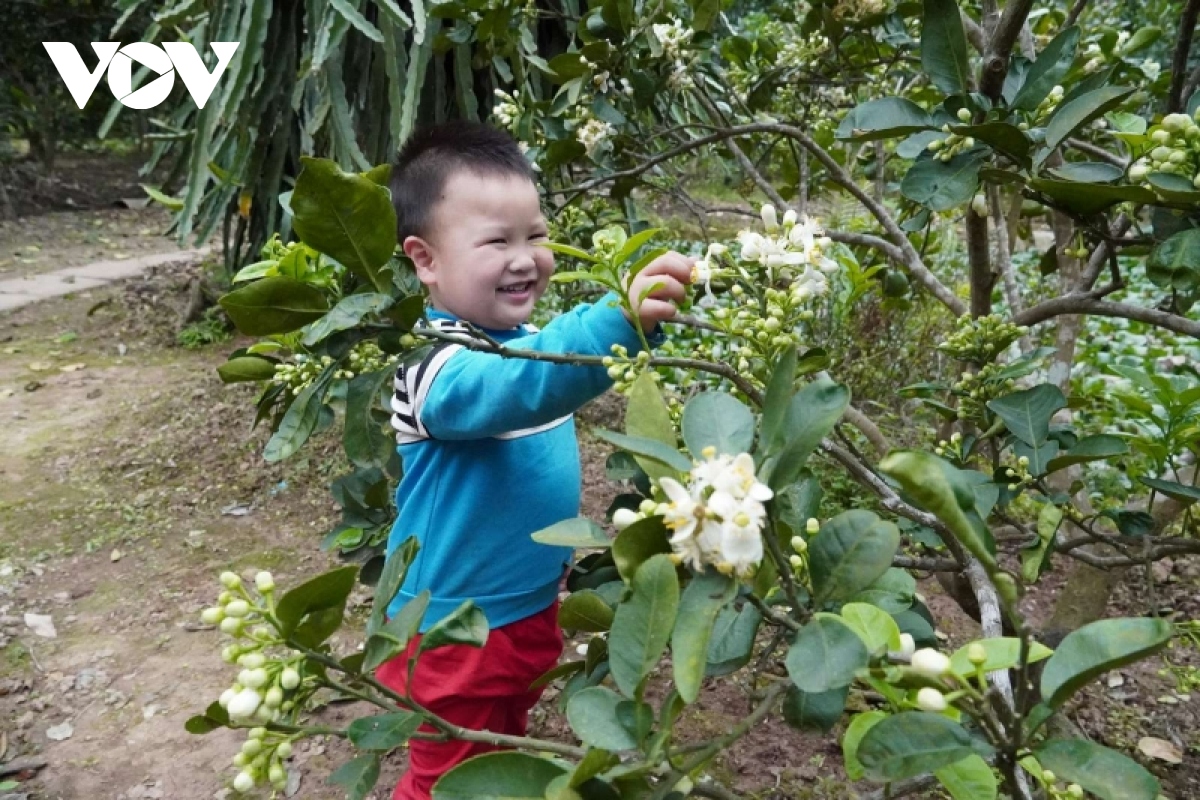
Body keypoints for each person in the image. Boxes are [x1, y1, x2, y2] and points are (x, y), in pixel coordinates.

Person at [375, 121, 694, 800]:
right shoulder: (432, 365)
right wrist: (615, 321)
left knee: (502, 756)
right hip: (450, 630)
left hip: (524, 612)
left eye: (536, 236)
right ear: (425, 258)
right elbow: (515, 388)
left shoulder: (524, 339)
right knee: (448, 783)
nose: (526, 259)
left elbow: (543, 365)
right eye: (497, 241)